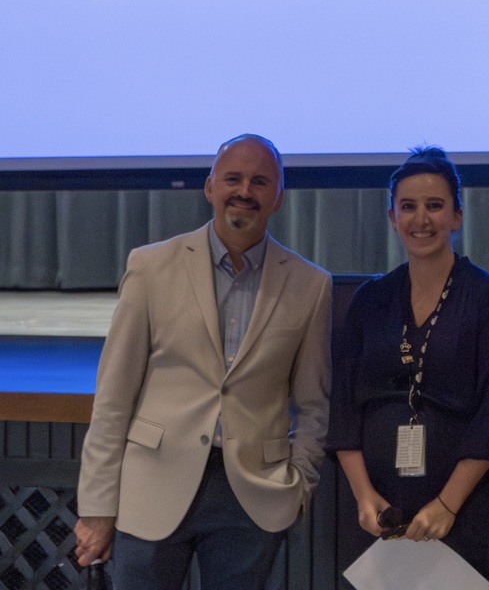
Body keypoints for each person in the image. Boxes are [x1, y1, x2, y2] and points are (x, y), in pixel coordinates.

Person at [73, 134, 333, 590]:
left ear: (278, 198)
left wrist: (299, 487)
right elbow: (113, 397)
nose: (245, 191)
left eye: (260, 181)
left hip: (252, 495)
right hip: (151, 485)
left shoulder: (311, 285)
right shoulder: (151, 267)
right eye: (232, 178)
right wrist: (97, 505)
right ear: (210, 187)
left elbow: (314, 405)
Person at [333, 146, 489, 590]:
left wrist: (447, 504)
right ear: (391, 216)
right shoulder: (370, 299)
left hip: (467, 509)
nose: (421, 220)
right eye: (409, 207)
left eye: (435, 206)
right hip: (376, 510)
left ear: (457, 216)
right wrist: (364, 497)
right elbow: (343, 408)